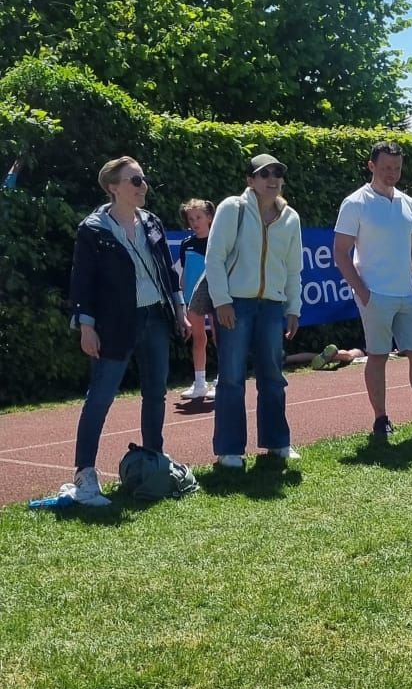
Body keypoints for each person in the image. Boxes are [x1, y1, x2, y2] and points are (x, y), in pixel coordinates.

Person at [63, 157, 189, 507]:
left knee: (156, 393)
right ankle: (85, 475)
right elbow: (82, 281)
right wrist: (86, 326)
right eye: (135, 180)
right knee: (100, 397)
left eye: (143, 179)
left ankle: (155, 461)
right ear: (113, 187)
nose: (142, 186)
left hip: (156, 318)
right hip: (115, 323)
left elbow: (167, 270)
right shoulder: (93, 229)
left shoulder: (152, 222)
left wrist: (179, 310)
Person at [334, 142, 412, 442]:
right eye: (386, 167)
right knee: (378, 356)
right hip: (375, 295)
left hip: (407, 294)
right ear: (371, 166)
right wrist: (362, 292)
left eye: (397, 168)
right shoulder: (355, 203)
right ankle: (381, 419)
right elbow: (340, 253)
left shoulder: (408, 203)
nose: (392, 173)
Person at [204, 155, 305, 469]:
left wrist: (293, 308)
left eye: (277, 173)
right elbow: (214, 257)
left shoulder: (291, 218)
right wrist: (222, 301)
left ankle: (278, 443)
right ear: (250, 180)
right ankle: (229, 450)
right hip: (236, 304)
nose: (272, 179)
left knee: (273, 377)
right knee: (232, 378)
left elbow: (293, 269)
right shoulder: (231, 208)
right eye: (264, 174)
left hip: (272, 307)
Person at [177, 198, 215, 404]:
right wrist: (183, 298)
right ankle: (200, 383)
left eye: (198, 217)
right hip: (193, 298)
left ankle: (222, 380)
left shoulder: (217, 241)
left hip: (216, 295)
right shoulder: (186, 244)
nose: (195, 222)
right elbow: (184, 275)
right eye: (191, 219)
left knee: (220, 337)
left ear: (209, 217)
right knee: (198, 338)